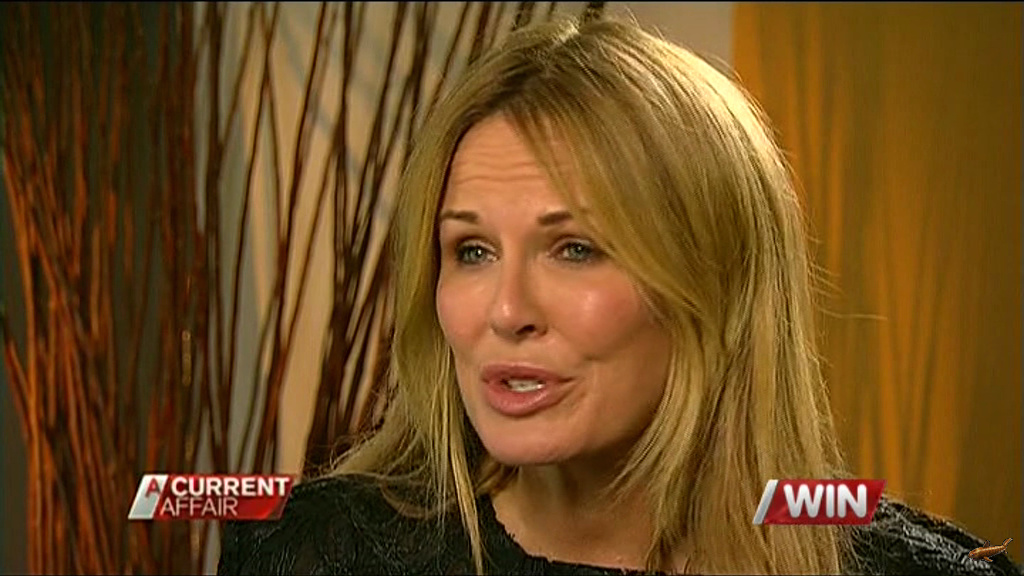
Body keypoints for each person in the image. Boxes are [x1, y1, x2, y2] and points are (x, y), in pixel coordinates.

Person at [217, 16, 1022, 576]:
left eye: (576, 249)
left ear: (713, 282)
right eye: (472, 250)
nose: (506, 311)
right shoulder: (312, 551)